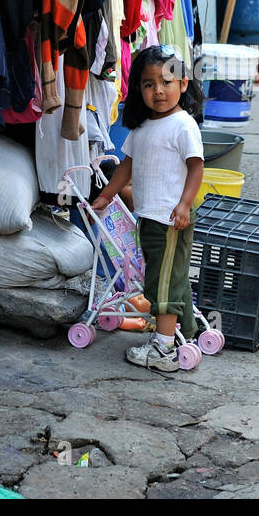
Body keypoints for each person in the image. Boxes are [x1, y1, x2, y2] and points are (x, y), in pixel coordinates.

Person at [92, 44, 204, 372]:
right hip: (150, 218)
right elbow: (127, 166)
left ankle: (165, 350)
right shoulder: (142, 128)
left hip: (172, 218)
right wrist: (107, 194)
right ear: (138, 88)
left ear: (183, 84)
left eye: (166, 82)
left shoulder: (184, 125)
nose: (158, 91)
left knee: (163, 283)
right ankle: (185, 334)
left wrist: (185, 205)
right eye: (148, 84)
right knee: (168, 277)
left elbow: (196, 168)